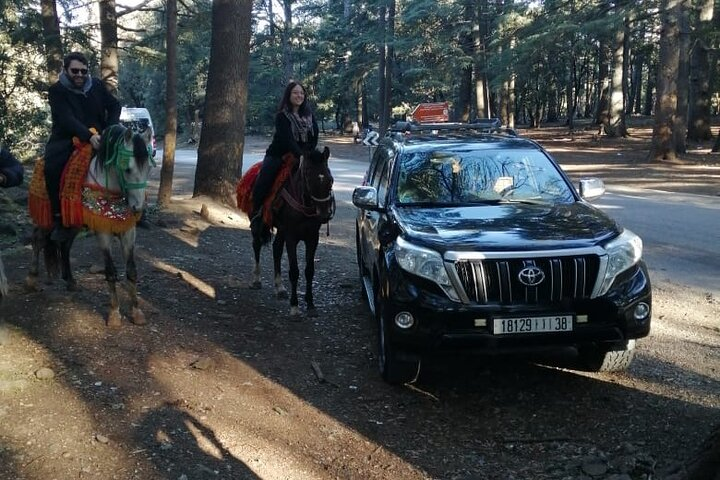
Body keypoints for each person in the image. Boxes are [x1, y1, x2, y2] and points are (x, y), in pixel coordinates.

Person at [44, 51, 121, 241]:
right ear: (66, 70)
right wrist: (88, 136)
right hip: (66, 138)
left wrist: (109, 129)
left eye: (83, 71)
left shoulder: (96, 85)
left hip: (100, 135)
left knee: (127, 160)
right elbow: (66, 118)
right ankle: (59, 218)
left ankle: (132, 209)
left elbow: (114, 106)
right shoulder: (56, 91)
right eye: (75, 71)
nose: (79, 75)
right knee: (51, 167)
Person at [250, 81, 319, 238]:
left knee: (321, 178)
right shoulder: (282, 116)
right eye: (295, 93)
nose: (299, 96)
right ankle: (257, 214)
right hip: (279, 155)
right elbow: (287, 139)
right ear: (289, 95)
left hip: (304, 156)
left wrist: (308, 155)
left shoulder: (309, 116)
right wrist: (300, 155)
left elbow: (315, 137)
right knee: (264, 180)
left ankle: (321, 211)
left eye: (301, 93)